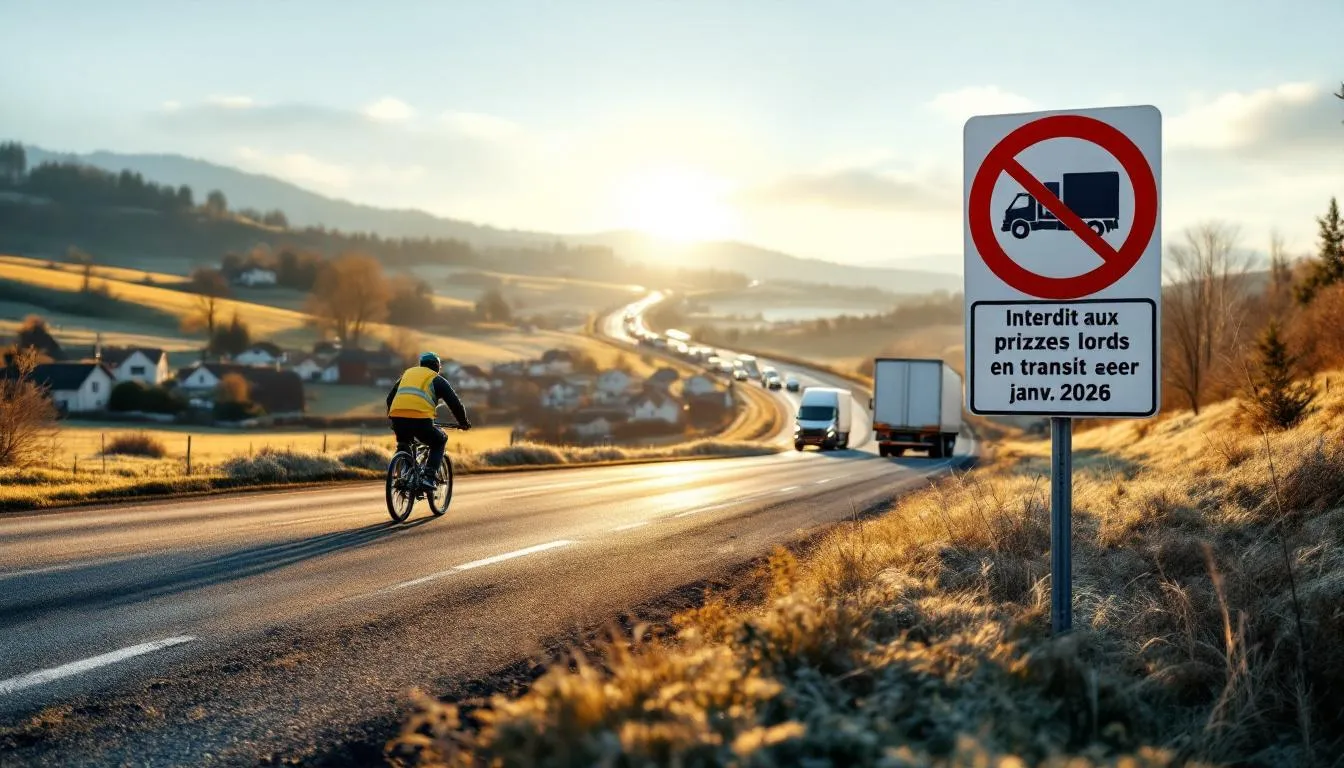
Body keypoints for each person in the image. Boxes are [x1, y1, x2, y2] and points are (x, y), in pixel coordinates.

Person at [385, 352, 472, 491]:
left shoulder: (406, 375)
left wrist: (393, 418)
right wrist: (463, 422)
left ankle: (404, 475)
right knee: (439, 440)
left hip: (397, 417)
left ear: (421, 365)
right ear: (437, 367)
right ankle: (429, 477)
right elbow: (454, 404)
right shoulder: (437, 379)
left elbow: (390, 398)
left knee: (404, 444)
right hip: (421, 420)